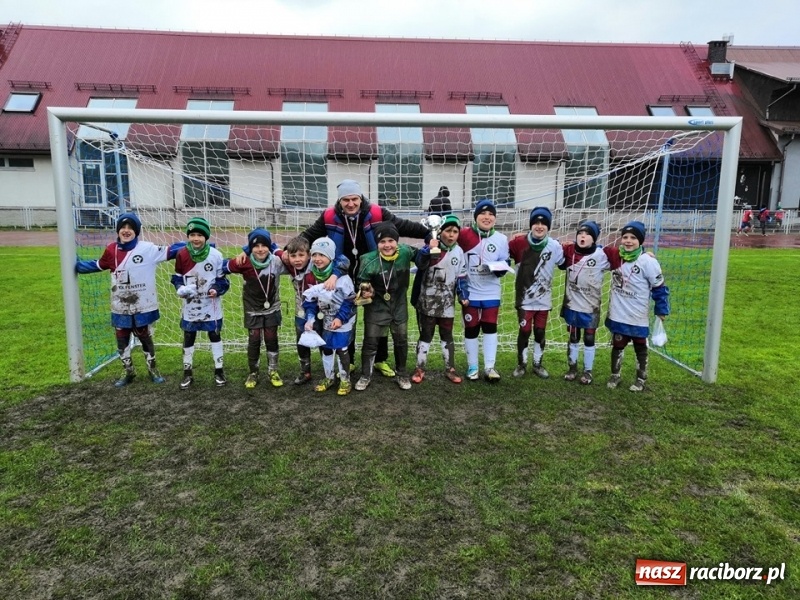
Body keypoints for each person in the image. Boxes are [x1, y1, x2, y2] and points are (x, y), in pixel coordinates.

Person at [298, 179, 431, 377]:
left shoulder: (377, 213)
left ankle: (380, 360)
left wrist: (429, 234)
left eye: (354, 199)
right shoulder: (329, 216)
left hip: (375, 276)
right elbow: (309, 235)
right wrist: (286, 249)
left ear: (360, 198)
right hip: (341, 276)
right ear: (340, 201)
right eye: (346, 200)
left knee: (380, 317)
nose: (350, 204)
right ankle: (349, 360)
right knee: (344, 318)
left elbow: (404, 226)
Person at [75, 212, 183, 387]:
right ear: (118, 231)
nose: (126, 231)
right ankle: (128, 371)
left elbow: (172, 250)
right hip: (120, 305)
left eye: (130, 228)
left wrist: (197, 245)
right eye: (123, 228)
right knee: (122, 337)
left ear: (136, 231)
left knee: (144, 335)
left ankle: (153, 370)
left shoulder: (147, 249)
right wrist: (77, 265)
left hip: (143, 304)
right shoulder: (111, 250)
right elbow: (99, 265)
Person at [605, 221, 670, 392]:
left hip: (637, 315)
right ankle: (615, 375)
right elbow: (597, 250)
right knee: (617, 345)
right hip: (618, 313)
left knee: (640, 347)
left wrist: (661, 309)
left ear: (640, 241)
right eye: (625, 237)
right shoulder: (615, 256)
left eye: (633, 238)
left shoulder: (647, 261)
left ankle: (641, 378)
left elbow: (659, 288)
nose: (628, 241)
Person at [354, 222, 418, 391]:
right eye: (382, 242)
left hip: (399, 305)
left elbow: (423, 257)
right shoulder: (368, 260)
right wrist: (367, 291)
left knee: (401, 340)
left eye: (391, 241)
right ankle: (365, 375)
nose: (387, 245)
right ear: (377, 243)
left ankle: (402, 374)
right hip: (376, 306)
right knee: (371, 341)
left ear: (397, 242)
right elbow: (361, 283)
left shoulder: (406, 252)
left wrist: (432, 247)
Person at [223, 228, 287, 389]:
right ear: (250, 248)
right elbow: (222, 267)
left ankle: (273, 370)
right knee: (254, 339)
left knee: (271, 338)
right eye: (256, 246)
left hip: (272, 307)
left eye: (264, 245)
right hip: (252, 309)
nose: (260, 249)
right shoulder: (244, 262)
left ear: (269, 246)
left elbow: (292, 262)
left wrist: (276, 250)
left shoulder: (276, 262)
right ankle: (253, 372)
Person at [283, 236, 351, 385]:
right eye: (293, 256)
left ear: (308, 255)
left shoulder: (316, 265)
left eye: (302, 255)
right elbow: (273, 251)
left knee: (324, 339)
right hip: (304, 309)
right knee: (302, 339)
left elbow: (342, 260)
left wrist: (334, 275)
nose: (297, 259)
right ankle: (305, 371)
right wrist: (281, 251)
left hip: (325, 309)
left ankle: (330, 372)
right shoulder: (289, 264)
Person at [172, 217, 230, 389]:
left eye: (199, 235)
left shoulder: (216, 255)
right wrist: (180, 288)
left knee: (214, 335)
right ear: (188, 236)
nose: (196, 238)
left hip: (210, 305)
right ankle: (187, 372)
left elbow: (223, 281)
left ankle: (219, 370)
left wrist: (216, 290)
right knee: (189, 336)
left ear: (206, 237)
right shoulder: (181, 254)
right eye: (192, 235)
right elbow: (176, 277)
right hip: (190, 305)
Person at [410, 214, 468, 384]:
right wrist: (428, 249)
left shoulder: (459, 252)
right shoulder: (430, 248)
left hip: (447, 303)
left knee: (447, 335)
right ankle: (420, 368)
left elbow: (461, 277)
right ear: (440, 231)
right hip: (426, 301)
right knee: (426, 335)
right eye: (448, 231)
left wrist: (463, 295)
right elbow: (420, 264)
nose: (451, 235)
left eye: (455, 232)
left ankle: (450, 368)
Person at [508, 206, 565, 379]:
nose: (539, 226)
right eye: (536, 223)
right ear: (531, 225)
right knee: (524, 331)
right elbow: (502, 252)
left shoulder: (555, 246)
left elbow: (566, 261)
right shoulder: (518, 243)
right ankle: (521, 364)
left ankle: (538, 364)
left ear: (548, 226)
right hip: (524, 298)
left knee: (540, 331)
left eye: (543, 223)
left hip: (544, 299)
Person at [458, 198, 510, 382]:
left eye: (491, 214)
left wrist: (500, 269)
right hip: (470, 291)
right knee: (471, 328)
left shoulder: (502, 239)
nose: (487, 217)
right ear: (475, 216)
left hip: (491, 291)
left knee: (490, 327)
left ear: (495, 219)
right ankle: (472, 366)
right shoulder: (464, 235)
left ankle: (490, 366)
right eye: (483, 213)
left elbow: (505, 262)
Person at [301, 237, 357, 395]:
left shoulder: (343, 278)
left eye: (322, 255)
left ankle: (345, 380)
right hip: (325, 319)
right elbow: (310, 301)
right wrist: (310, 319)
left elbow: (350, 301)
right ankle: (329, 377)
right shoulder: (311, 275)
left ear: (331, 256)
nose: (317, 259)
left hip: (342, 320)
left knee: (341, 349)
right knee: (326, 348)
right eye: (314, 254)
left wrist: (340, 318)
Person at [560, 220, 610, 385]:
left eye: (588, 234)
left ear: (594, 239)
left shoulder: (602, 255)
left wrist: (644, 252)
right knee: (573, 336)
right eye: (580, 233)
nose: (583, 236)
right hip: (572, 304)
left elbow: (624, 253)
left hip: (591, 306)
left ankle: (588, 372)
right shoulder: (568, 250)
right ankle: (572, 368)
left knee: (589, 338)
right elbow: (551, 245)